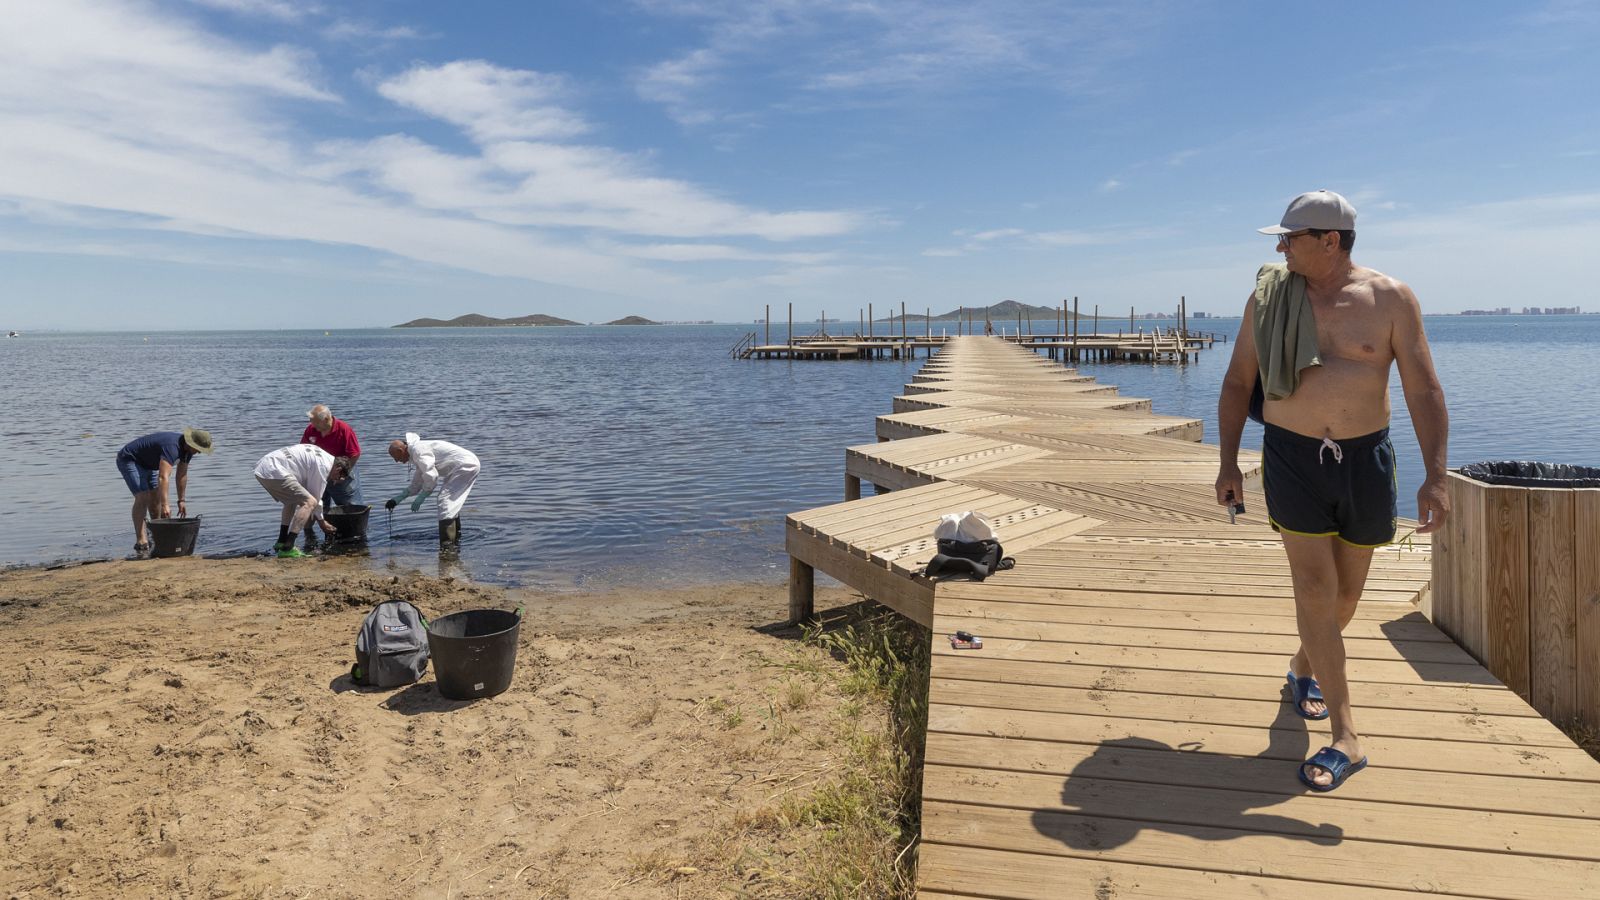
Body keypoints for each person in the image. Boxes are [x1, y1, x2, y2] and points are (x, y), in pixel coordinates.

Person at [1214, 189, 1449, 793]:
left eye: (1290, 238)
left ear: (1330, 241)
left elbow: (1423, 390)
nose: (1279, 248)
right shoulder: (1269, 299)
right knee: (1315, 589)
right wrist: (1228, 465)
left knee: (1344, 599)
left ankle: (1302, 667)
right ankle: (1346, 734)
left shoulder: (1390, 299)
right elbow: (1240, 382)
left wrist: (1436, 475)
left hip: (1365, 460)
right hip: (1292, 459)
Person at [116, 428, 214, 553]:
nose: (199, 452)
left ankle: (157, 536)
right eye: (199, 449)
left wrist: (181, 500)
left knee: (156, 497)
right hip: (129, 459)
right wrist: (166, 505)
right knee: (143, 496)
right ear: (191, 443)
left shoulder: (188, 451)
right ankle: (141, 541)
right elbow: (163, 477)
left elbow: (181, 475)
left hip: (148, 464)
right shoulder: (172, 447)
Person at [384, 433, 480, 542]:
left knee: (445, 501)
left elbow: (432, 476)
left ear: (401, 451)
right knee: (450, 503)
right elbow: (418, 481)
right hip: (463, 466)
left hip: (465, 465)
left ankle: (447, 545)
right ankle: (455, 539)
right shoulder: (416, 453)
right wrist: (398, 499)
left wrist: (422, 497)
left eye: (395, 458)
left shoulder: (418, 451)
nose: (396, 461)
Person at [253, 443, 343, 558]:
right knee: (309, 502)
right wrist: (322, 522)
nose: (335, 481)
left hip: (264, 467)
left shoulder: (322, 455)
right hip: (274, 471)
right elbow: (315, 498)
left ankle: (281, 541)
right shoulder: (324, 466)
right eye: (338, 477)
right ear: (338, 469)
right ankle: (288, 547)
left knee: (292, 501)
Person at [299, 404, 363, 543]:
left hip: (342, 471)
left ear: (327, 419)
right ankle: (309, 537)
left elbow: (355, 454)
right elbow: (303, 451)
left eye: (315, 423)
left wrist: (344, 474)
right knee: (312, 504)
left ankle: (355, 539)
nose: (312, 426)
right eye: (311, 423)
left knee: (349, 506)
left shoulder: (344, 429)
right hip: (318, 473)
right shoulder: (311, 429)